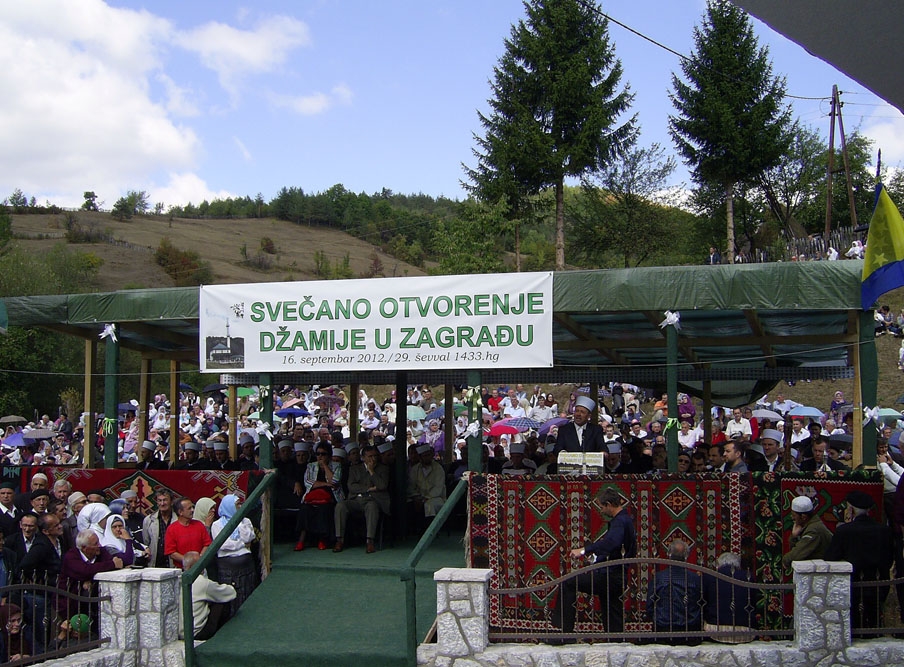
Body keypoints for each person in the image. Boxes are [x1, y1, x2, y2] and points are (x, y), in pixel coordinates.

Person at [552, 488, 636, 640]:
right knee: (612, 609)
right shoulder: (625, 520)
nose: (601, 510)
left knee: (569, 583)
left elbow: (611, 543)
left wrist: (584, 550)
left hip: (610, 576)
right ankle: (615, 641)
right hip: (617, 575)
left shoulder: (620, 522)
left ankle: (563, 632)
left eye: (602, 507)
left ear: (609, 504)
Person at [825, 490, 894, 634]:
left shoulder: (844, 531)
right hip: (878, 582)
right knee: (874, 619)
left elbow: (831, 558)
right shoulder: (884, 531)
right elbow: (889, 558)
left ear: (850, 509)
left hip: (853, 584)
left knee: (855, 622)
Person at [57, 529, 123, 623]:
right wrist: (111, 564)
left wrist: (90, 579)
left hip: (94, 603)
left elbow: (116, 563)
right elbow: (83, 571)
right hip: (70, 603)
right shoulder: (71, 556)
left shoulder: (101, 552)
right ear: (84, 548)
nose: (99, 546)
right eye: (95, 544)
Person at [334, 445, 390, 554]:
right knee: (341, 506)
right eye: (369, 456)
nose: (373, 459)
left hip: (373, 500)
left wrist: (372, 471)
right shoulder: (354, 469)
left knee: (372, 507)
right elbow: (351, 486)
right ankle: (339, 540)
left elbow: (382, 485)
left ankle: (370, 541)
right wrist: (369, 489)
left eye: (374, 456)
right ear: (363, 458)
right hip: (356, 499)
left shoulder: (383, 469)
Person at [646, 539, 701, 644]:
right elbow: (702, 603)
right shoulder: (695, 579)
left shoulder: (658, 578)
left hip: (663, 631)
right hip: (689, 632)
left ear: (668, 554)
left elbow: (649, 606)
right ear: (686, 556)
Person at [210, 494, 256, 616]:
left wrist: (240, 523)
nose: (240, 506)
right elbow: (224, 545)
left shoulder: (245, 521)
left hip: (246, 566)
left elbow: (249, 537)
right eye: (237, 504)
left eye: (241, 504)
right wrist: (242, 544)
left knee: (247, 594)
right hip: (228, 569)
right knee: (232, 598)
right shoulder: (217, 525)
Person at [294, 443, 343, 551]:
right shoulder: (311, 466)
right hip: (313, 496)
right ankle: (301, 540)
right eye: (318, 454)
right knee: (305, 509)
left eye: (323, 454)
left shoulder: (336, 465)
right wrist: (325, 484)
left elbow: (334, 481)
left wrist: (325, 466)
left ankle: (322, 539)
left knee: (324, 509)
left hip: (330, 496)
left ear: (329, 455)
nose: (320, 456)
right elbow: (308, 482)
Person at [701, 552, 757, 643]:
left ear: (718, 564)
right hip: (746, 631)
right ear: (737, 565)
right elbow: (753, 603)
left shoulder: (709, 576)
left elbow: (703, 602)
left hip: (715, 630)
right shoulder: (748, 577)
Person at [183, 551, 236, 640]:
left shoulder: (177, 580)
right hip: (197, 633)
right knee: (221, 601)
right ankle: (221, 635)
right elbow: (230, 593)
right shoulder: (202, 582)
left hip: (179, 632)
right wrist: (231, 585)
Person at [782, 495, 832, 568]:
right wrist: (794, 536)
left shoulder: (813, 531)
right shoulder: (812, 526)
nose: (792, 518)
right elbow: (796, 549)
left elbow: (797, 554)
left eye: (794, 515)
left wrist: (785, 561)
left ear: (803, 517)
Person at [164, 497, 212, 569]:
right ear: (180, 512)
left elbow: (207, 544)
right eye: (189, 508)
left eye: (193, 507)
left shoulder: (199, 525)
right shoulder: (172, 529)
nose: (193, 510)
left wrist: (199, 559)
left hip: (200, 568)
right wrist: (188, 562)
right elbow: (171, 553)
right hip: (181, 569)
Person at [407, 444, 446, 527]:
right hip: (418, 497)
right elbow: (411, 486)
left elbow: (438, 488)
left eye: (428, 455)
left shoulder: (438, 469)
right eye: (424, 456)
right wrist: (416, 497)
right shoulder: (415, 469)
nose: (426, 458)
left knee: (429, 506)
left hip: (435, 498)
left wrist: (426, 498)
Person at [142, 489, 177, 568]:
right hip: (155, 564)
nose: (162, 503)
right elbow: (146, 542)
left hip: (173, 564)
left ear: (171, 502)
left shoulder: (178, 520)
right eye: (159, 500)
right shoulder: (149, 520)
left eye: (165, 500)